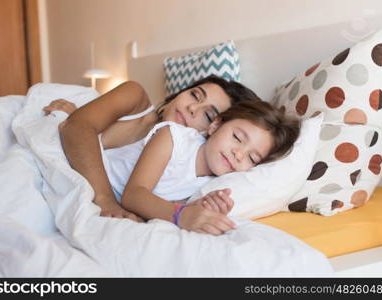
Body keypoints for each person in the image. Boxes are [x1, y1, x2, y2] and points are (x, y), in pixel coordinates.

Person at [44, 75, 261, 229]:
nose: (192, 108)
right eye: (195, 95)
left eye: (207, 115)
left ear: (214, 129)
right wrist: (105, 200)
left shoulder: (186, 168)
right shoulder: (135, 96)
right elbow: (76, 127)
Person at [118, 100, 300, 235]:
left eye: (252, 158)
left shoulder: (215, 184)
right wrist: (181, 214)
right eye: (237, 137)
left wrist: (199, 207)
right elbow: (133, 195)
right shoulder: (174, 138)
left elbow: (164, 200)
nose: (239, 153)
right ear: (215, 125)